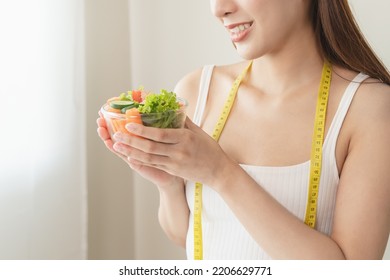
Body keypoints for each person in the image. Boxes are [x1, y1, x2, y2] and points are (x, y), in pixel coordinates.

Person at [97, 0, 390, 259]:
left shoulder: (367, 108)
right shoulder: (198, 90)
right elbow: (191, 236)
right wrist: (169, 185)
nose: (218, 8)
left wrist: (221, 173)